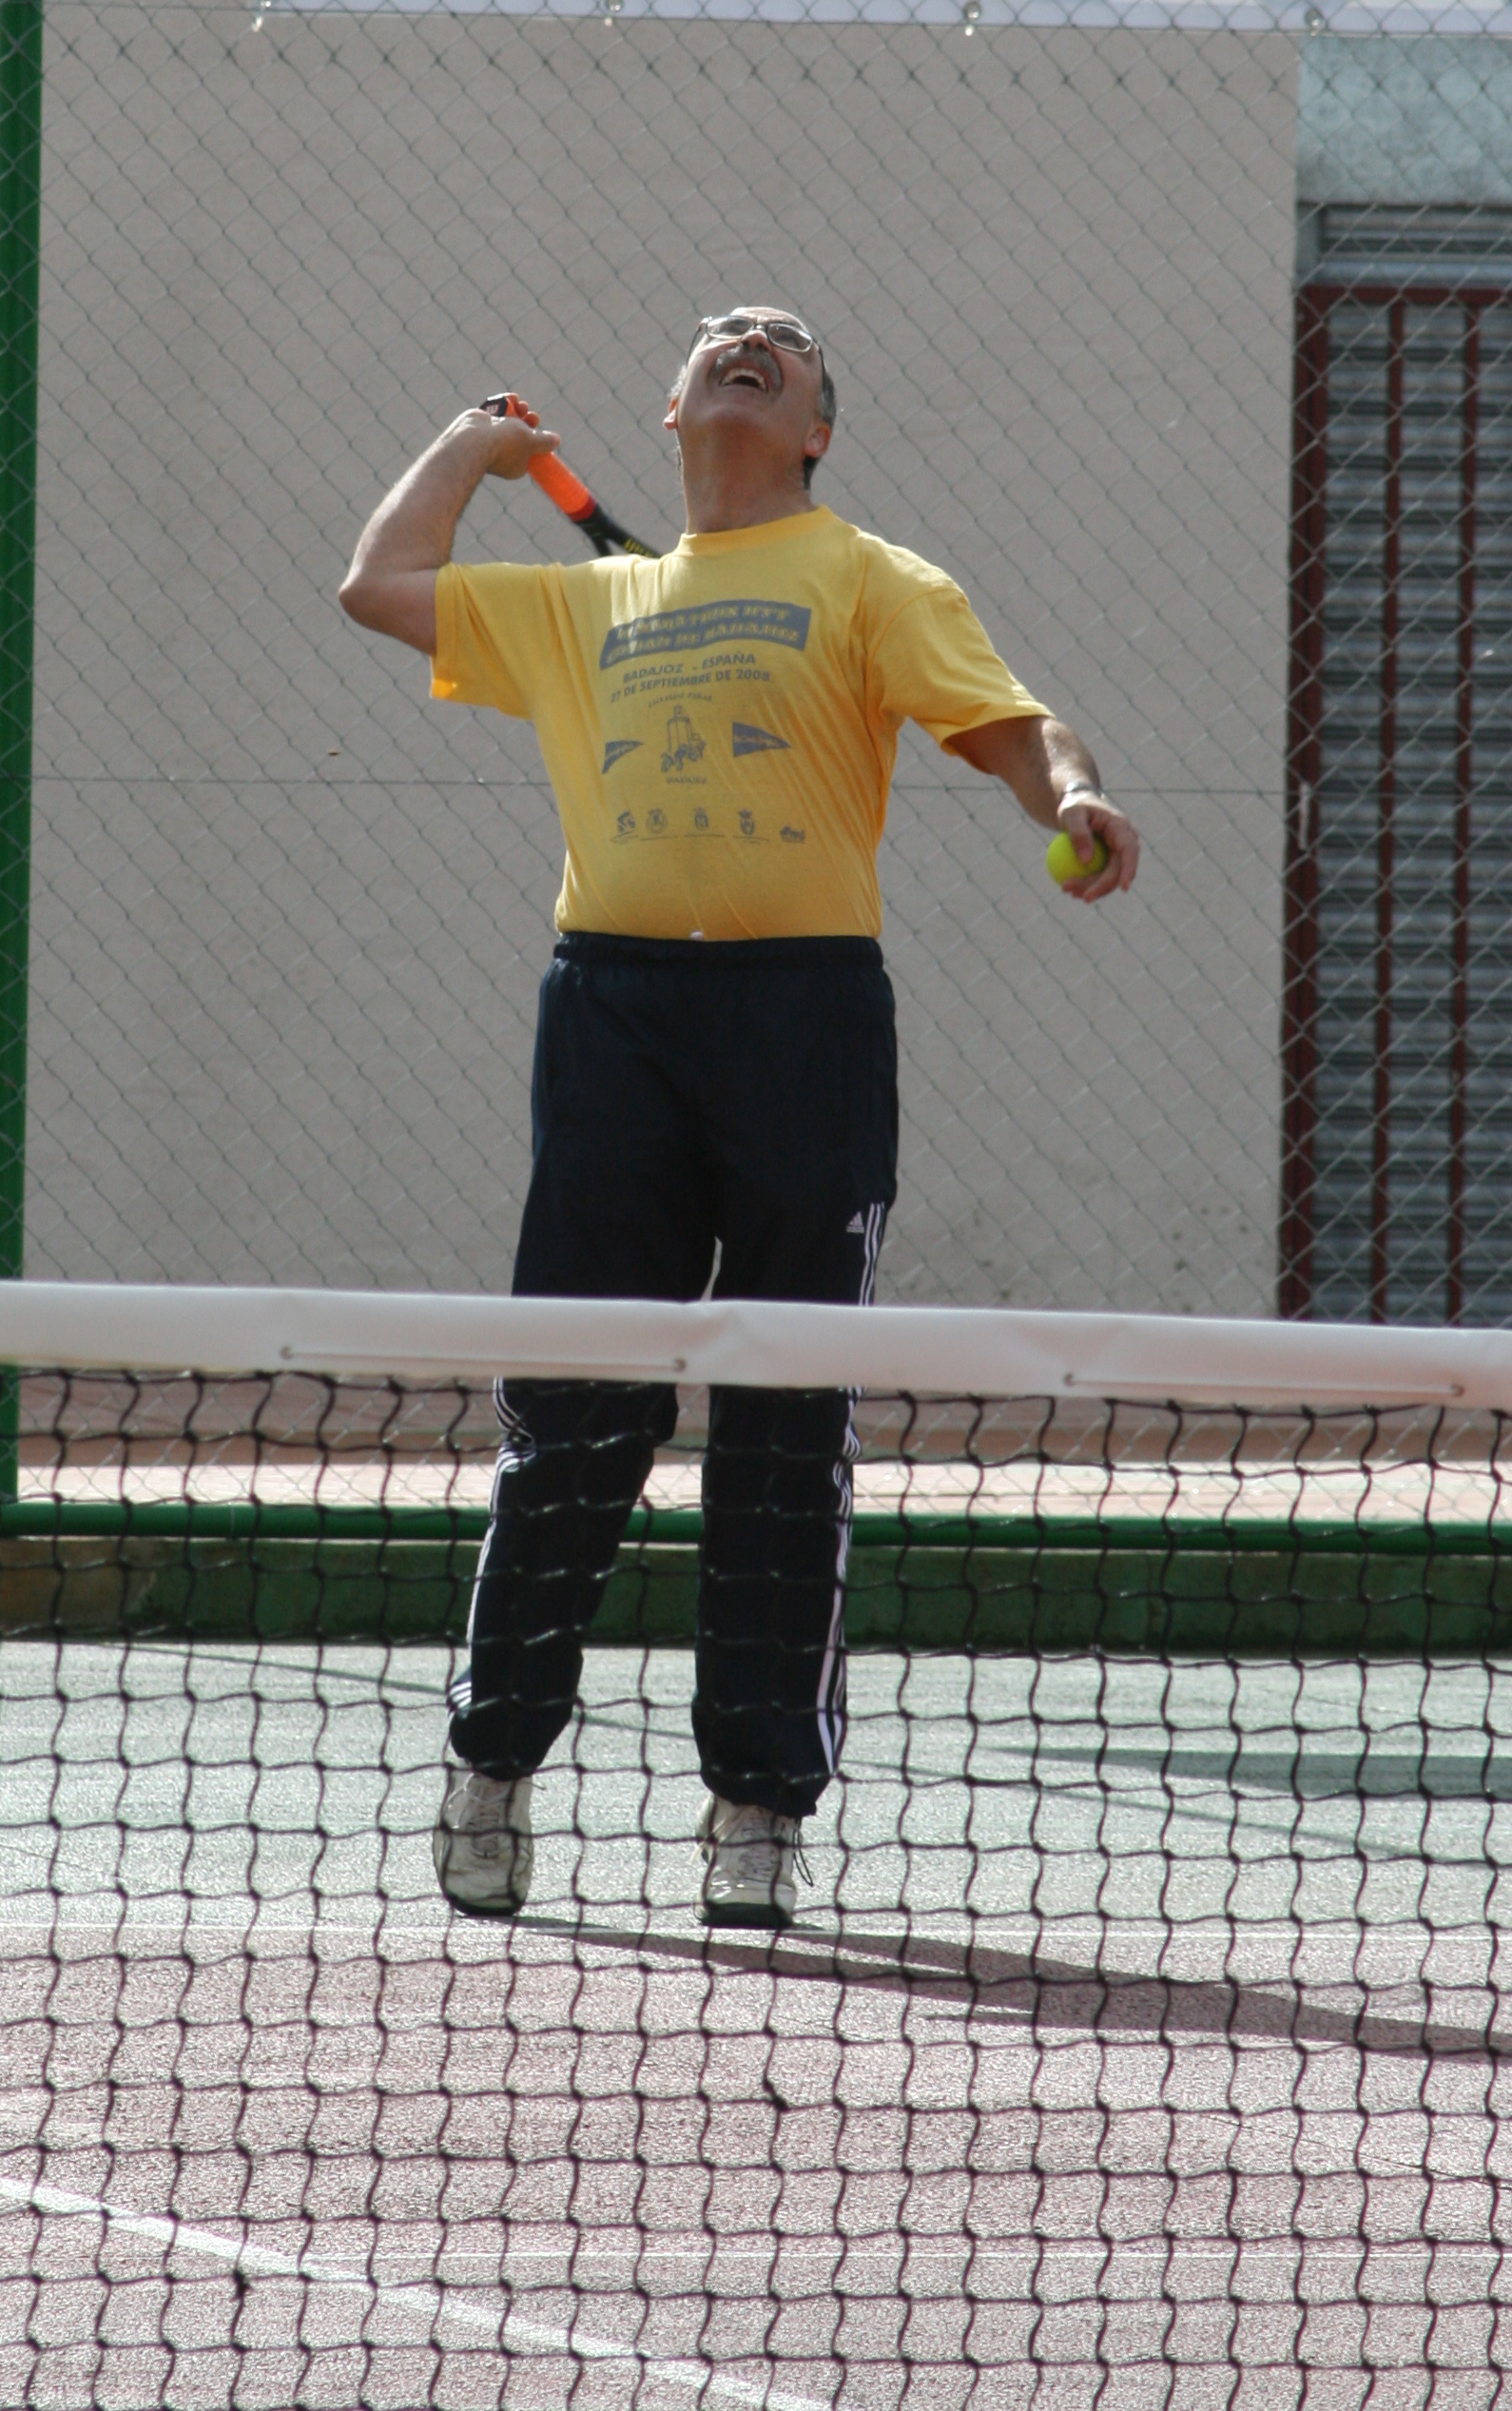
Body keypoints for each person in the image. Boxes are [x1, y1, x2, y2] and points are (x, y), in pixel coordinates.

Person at [338, 308, 1138, 1930]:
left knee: (784, 1425)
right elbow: (379, 582)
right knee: (577, 1410)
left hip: (804, 1020)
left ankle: (758, 1808)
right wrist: (476, 448)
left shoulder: (873, 580)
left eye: (786, 347)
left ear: (816, 428)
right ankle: (492, 1766)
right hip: (613, 1015)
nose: (750, 338)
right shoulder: (585, 603)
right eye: (721, 337)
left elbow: (1011, 725)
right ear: (673, 408)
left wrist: (1070, 795)